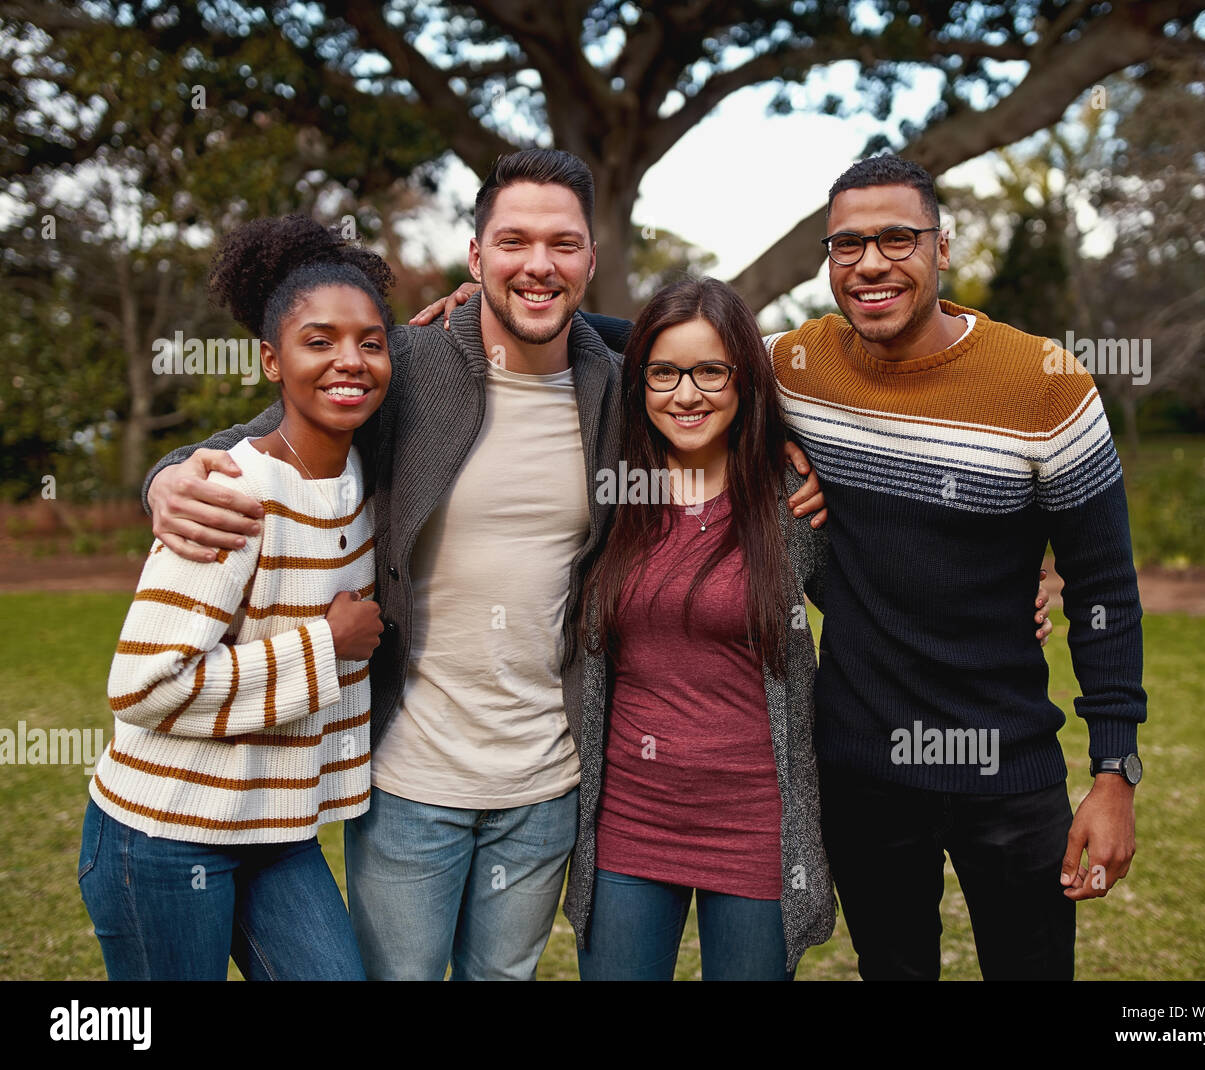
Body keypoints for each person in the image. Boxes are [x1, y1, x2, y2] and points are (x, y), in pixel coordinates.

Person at [138, 149, 827, 980]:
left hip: (546, 783)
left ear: (591, 261)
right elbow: (272, 428)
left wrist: (774, 437)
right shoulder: (402, 367)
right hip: (406, 776)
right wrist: (165, 478)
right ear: (475, 257)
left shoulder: (616, 395)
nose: (538, 265)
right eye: (514, 242)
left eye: (563, 245)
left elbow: (701, 359)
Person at [766, 155, 1146, 980]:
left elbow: (1106, 589)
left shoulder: (1044, 384)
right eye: (847, 245)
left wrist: (1116, 771)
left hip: (1007, 764)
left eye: (898, 238)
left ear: (943, 248)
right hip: (862, 768)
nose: (871, 263)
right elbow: (665, 348)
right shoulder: (794, 367)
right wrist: (482, 311)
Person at [78, 215, 391, 980]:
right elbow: (143, 686)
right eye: (317, 341)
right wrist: (326, 646)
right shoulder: (230, 494)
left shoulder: (366, 482)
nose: (348, 360)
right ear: (271, 360)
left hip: (275, 831)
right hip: (162, 834)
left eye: (371, 342)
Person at [563, 277, 837, 981]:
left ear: (744, 377)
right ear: (640, 382)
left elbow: (883, 595)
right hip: (629, 820)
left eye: (711, 370)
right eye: (664, 373)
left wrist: (1021, 585)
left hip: (756, 826)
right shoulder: (613, 491)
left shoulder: (791, 501)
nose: (687, 395)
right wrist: (472, 303)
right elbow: (559, 331)